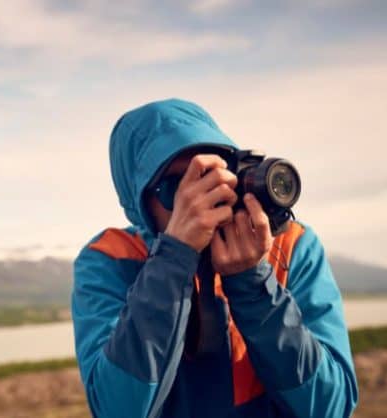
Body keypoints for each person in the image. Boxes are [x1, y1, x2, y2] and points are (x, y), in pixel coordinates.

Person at [71, 98, 358, 417]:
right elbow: (117, 410)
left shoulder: (291, 245)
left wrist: (254, 286)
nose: (199, 199)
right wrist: (173, 260)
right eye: (175, 188)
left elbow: (330, 408)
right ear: (139, 204)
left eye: (211, 176)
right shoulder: (109, 260)